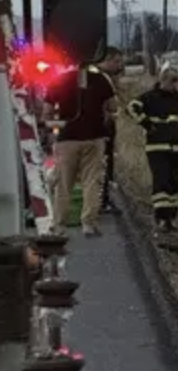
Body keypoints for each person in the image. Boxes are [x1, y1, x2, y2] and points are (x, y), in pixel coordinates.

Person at [48, 46, 123, 237]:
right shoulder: (101, 80)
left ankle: (58, 226)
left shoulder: (60, 79)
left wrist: (58, 126)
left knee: (64, 184)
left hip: (67, 139)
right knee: (92, 182)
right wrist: (105, 113)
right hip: (94, 138)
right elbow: (113, 107)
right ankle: (88, 224)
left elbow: (46, 112)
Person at [126, 65, 178, 233]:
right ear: (162, 79)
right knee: (161, 180)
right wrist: (147, 124)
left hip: (175, 147)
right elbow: (132, 107)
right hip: (156, 146)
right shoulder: (150, 97)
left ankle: (171, 218)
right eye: (172, 80)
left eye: (176, 80)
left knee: (173, 182)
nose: (175, 84)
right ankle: (161, 218)